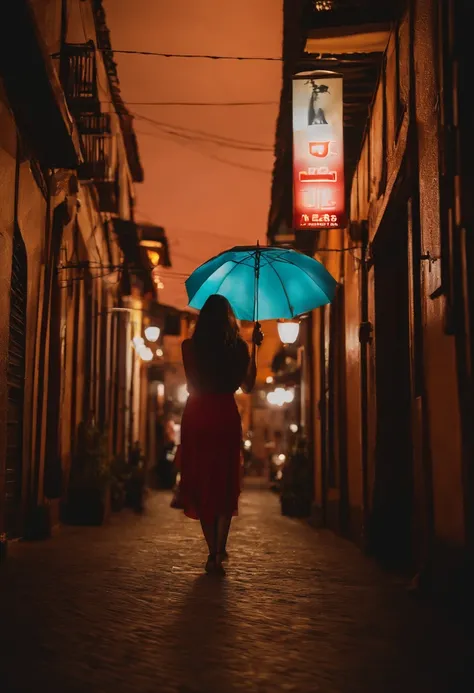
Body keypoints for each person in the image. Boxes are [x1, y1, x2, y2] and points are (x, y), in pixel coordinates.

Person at [179, 294, 263, 574]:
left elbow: (191, 383)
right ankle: (218, 552)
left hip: (198, 413)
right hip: (225, 414)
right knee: (224, 482)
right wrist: (254, 350)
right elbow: (248, 386)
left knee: (202, 480)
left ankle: (212, 551)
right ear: (229, 318)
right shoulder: (238, 347)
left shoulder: (189, 347)